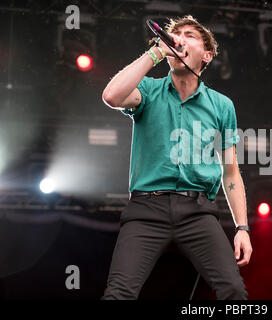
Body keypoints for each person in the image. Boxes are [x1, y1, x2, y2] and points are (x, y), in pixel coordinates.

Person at [100, 15, 252, 300]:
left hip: (197, 212)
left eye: (190, 35)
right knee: (118, 293)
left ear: (206, 55)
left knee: (233, 291)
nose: (180, 38)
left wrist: (242, 227)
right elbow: (111, 95)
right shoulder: (148, 90)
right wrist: (156, 51)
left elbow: (231, 172)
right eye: (175, 34)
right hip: (147, 209)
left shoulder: (222, 106)